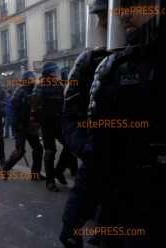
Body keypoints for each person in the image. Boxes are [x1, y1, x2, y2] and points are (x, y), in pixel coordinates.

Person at [85, 0, 165, 247]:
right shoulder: (113, 65)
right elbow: (98, 146)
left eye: (133, 5)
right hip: (123, 198)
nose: (121, 16)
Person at [60, 0, 111, 246]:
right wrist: (83, 145)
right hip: (96, 154)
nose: (105, 23)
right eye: (102, 17)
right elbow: (69, 112)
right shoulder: (89, 61)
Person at [32, 62, 73, 192]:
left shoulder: (59, 85)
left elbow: (65, 102)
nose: (58, 73)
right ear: (51, 72)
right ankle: (50, 181)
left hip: (59, 123)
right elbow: (34, 107)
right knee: (50, 152)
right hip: (47, 124)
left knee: (70, 146)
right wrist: (38, 123)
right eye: (56, 71)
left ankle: (58, 171)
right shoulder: (40, 87)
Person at [3, 71, 44, 180]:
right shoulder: (19, 91)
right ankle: (6, 167)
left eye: (32, 78)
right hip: (20, 126)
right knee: (20, 151)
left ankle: (35, 174)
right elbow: (13, 110)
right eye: (30, 78)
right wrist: (16, 125)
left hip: (30, 126)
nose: (32, 80)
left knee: (38, 149)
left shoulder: (35, 90)